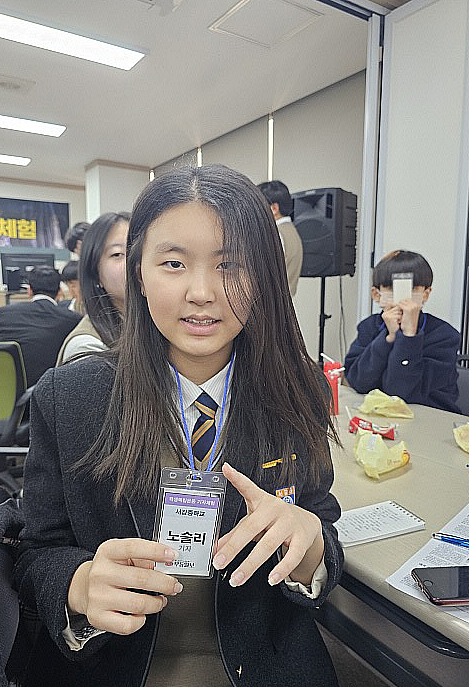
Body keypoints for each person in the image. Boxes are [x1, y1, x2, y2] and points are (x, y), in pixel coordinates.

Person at [15, 164, 343, 687]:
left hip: (266, 663)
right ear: (138, 275)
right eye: (173, 263)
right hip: (114, 667)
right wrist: (78, 584)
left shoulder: (297, 388)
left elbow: (321, 522)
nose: (202, 292)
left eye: (230, 264)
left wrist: (311, 546)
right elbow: (36, 551)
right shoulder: (71, 397)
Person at [344, 249, 460, 413]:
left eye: (413, 289)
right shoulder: (369, 327)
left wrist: (409, 337)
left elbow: (401, 393)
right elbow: (358, 382)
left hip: (429, 417)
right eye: (391, 289)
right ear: (376, 295)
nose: (403, 299)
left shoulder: (445, 336)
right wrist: (388, 338)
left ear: (425, 294)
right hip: (378, 416)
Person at [57, 212, 130, 363]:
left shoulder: (160, 327)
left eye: (139, 251)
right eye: (117, 254)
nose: (134, 261)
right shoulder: (86, 349)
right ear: (95, 273)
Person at [0, 265, 81, 387]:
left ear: (29, 291)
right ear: (60, 292)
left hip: (6, 389)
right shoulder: (73, 320)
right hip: (49, 390)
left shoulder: (3, 314)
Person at [257, 179, 303, 296]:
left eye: (259, 206)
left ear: (274, 209)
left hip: (270, 303)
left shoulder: (275, 234)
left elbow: (264, 277)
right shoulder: (292, 231)